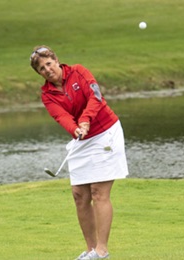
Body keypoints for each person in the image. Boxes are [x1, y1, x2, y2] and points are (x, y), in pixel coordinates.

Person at [30, 45, 129, 259]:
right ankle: (91, 249)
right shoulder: (47, 95)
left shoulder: (79, 71)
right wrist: (74, 128)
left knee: (98, 192)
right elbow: (61, 116)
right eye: (41, 69)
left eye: (48, 63)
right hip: (81, 138)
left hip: (105, 133)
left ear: (56, 60)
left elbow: (96, 97)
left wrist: (85, 120)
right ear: (39, 74)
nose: (47, 69)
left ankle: (102, 251)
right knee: (79, 194)